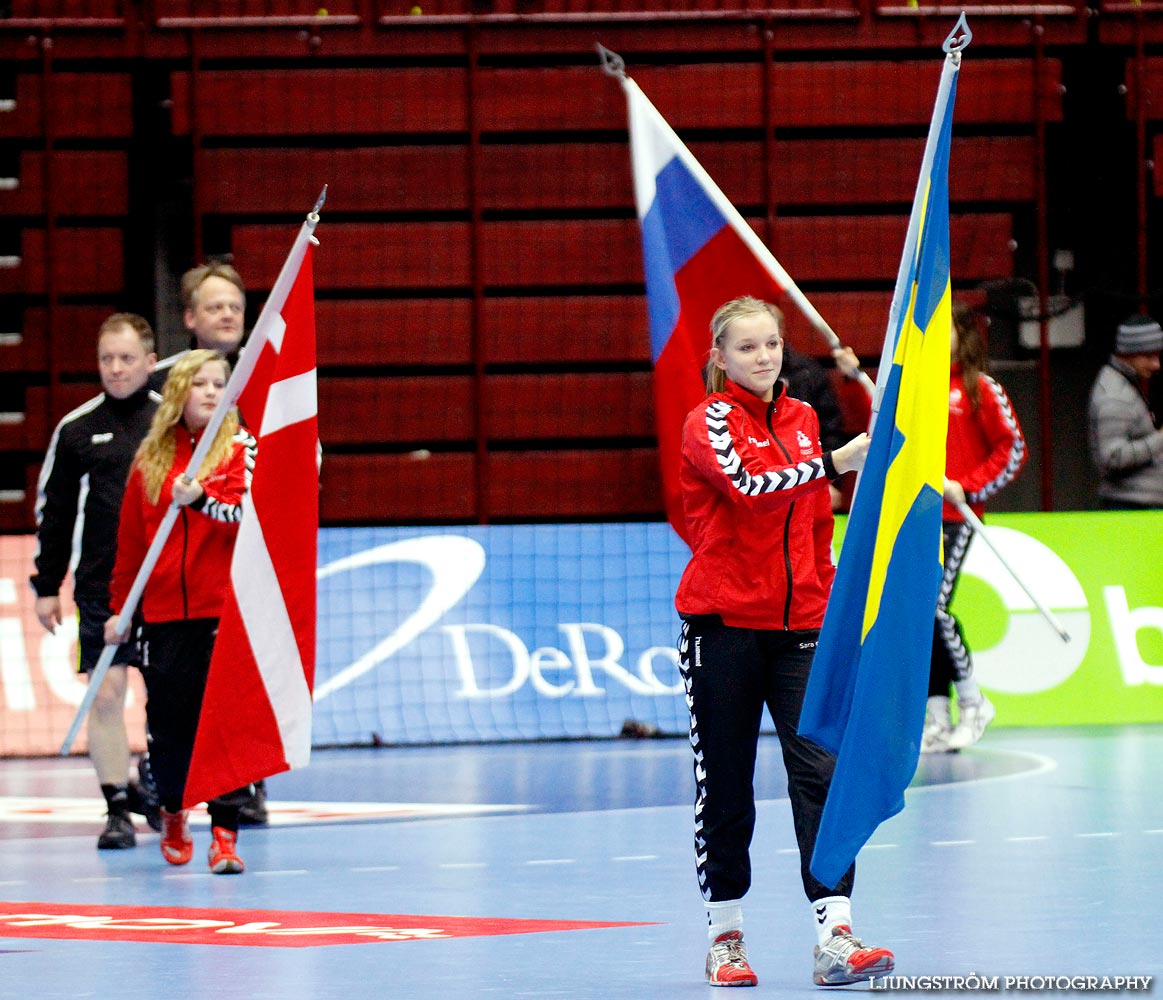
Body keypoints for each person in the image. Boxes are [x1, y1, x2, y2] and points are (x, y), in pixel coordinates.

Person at [674, 296, 892, 988]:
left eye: (770, 344)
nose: (762, 357)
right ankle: (724, 938)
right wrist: (837, 461)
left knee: (821, 776)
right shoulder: (705, 421)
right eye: (746, 348)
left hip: (801, 628)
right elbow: (749, 489)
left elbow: (813, 524)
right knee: (727, 785)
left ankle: (835, 933)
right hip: (724, 628)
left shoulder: (801, 418)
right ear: (719, 357)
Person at [105, 349, 257, 874]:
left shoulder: (240, 447)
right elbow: (129, 544)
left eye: (221, 383)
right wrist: (119, 609)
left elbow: (241, 513)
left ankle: (225, 833)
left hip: (223, 609)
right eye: (201, 384)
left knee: (225, 724)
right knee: (169, 725)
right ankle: (172, 808)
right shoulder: (150, 458)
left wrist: (197, 498)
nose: (213, 392)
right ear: (178, 393)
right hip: (165, 613)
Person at [30, 313, 163, 850]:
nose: (115, 368)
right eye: (107, 358)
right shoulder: (78, 429)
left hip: (164, 585)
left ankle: (157, 782)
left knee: (171, 696)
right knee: (106, 694)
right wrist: (45, 584)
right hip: (101, 589)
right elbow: (56, 511)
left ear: (151, 363)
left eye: (127, 358)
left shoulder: (175, 423)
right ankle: (116, 808)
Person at [149, 262, 269, 826]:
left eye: (235, 306)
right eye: (215, 305)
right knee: (178, 692)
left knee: (242, 680)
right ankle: (171, 786)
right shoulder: (165, 384)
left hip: (252, 556)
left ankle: (245, 784)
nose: (227, 314)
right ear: (191, 317)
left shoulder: (271, 373)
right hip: (185, 572)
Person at [922, 302, 1027, 754]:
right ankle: (937, 717)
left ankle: (973, 701)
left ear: (961, 334)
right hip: (914, 521)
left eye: (942, 327)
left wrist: (969, 487)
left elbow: (1013, 450)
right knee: (920, 618)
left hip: (955, 519)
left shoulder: (980, 388)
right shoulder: (912, 389)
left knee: (936, 610)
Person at [1087, 312, 1163, 510]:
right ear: (1127, 353)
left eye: (1157, 355)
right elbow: (1112, 457)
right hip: (1131, 508)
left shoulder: (1123, 385)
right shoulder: (1115, 395)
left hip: (1136, 504)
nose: (1156, 364)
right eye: (1148, 356)